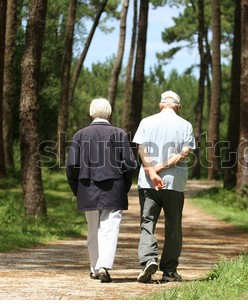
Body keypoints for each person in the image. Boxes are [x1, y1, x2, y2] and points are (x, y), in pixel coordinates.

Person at [66, 98, 137, 283]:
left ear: (91, 113)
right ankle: (104, 266)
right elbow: (130, 164)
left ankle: (95, 267)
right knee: (110, 227)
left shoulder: (79, 135)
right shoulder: (119, 134)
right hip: (114, 187)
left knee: (93, 229)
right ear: (109, 113)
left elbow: (72, 165)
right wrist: (124, 186)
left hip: (87, 187)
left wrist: (77, 189)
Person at [132, 90, 196, 283]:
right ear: (178, 107)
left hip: (148, 183)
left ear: (161, 105)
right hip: (174, 184)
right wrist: (161, 168)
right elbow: (184, 154)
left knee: (147, 223)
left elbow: (141, 149)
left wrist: (152, 171)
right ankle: (169, 271)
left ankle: (148, 260)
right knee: (173, 226)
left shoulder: (146, 121)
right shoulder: (185, 125)